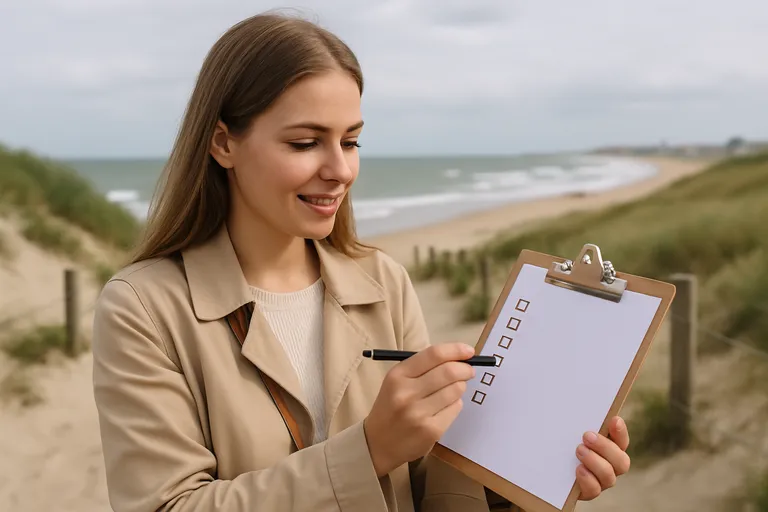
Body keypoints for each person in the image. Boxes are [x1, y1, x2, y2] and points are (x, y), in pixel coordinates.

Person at [91, 11, 632, 512]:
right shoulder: (144, 308)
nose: (339, 170)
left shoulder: (383, 283)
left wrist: (528, 477)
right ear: (222, 143)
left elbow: (429, 487)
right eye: (305, 143)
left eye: (350, 142)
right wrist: (368, 450)